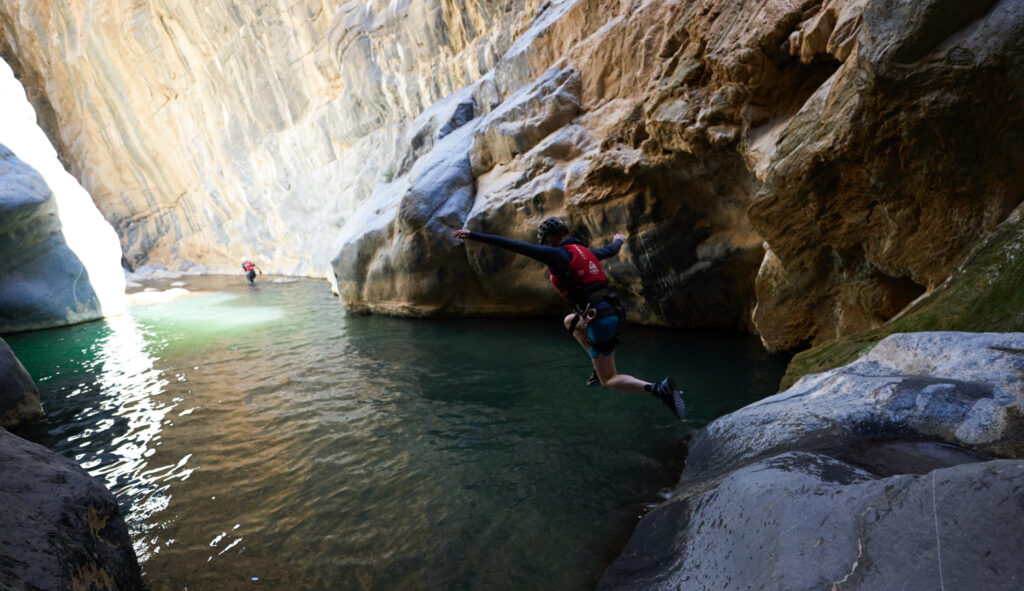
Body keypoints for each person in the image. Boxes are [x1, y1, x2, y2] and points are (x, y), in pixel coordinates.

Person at [451, 218, 686, 419]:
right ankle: (597, 366)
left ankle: (659, 388)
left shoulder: (557, 255)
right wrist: (619, 239)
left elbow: (515, 246)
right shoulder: (587, 252)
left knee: (609, 379)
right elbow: (611, 250)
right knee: (569, 321)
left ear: (550, 240)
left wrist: (473, 235)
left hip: (600, 321)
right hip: (613, 312)